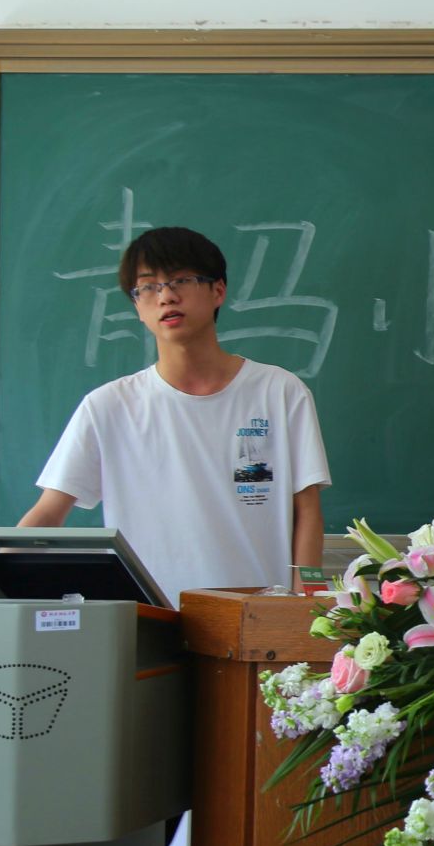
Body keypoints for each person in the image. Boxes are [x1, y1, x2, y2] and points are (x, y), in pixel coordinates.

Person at [18, 226, 330, 608]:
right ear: (137, 306)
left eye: (181, 280)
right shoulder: (108, 407)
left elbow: (307, 510)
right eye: (148, 287)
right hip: (148, 620)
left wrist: (303, 608)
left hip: (255, 618)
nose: (166, 296)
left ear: (218, 291)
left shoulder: (279, 392)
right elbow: (49, 512)